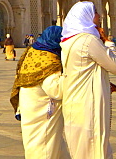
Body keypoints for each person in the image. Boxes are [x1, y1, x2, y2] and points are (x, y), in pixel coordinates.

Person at [61, 1, 116, 159]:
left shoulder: (67, 41)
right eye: (95, 12)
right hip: (88, 105)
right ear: (86, 16)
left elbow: (83, 70)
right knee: (95, 149)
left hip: (74, 102)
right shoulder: (88, 41)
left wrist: (102, 82)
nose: (99, 16)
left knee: (81, 149)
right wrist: (108, 42)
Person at [10, 24, 68, 159]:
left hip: (30, 110)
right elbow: (56, 90)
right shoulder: (48, 59)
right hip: (42, 113)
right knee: (45, 149)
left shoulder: (32, 53)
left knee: (38, 146)